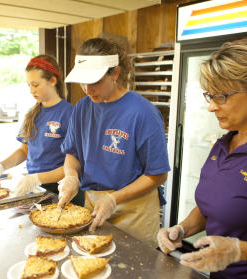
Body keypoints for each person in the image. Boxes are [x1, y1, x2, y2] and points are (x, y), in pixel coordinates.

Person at [157, 36, 247, 279]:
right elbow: (212, 207)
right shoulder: (224, 144)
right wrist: (181, 229)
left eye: (222, 96)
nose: (211, 106)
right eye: (210, 95)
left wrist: (243, 250)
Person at [57, 38, 170, 247]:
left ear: (115, 74)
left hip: (135, 211)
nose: (88, 90)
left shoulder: (143, 113)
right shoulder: (82, 108)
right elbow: (72, 153)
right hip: (94, 205)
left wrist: (113, 199)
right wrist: (71, 177)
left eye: (95, 82)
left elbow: (158, 174)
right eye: (83, 82)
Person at [0, 55, 84, 206]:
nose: (31, 90)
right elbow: (24, 151)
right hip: (35, 188)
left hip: (62, 190)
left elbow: (74, 166)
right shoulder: (32, 114)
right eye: (28, 85)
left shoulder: (69, 113)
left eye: (35, 85)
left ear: (53, 81)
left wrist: (36, 178)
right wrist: (1, 166)